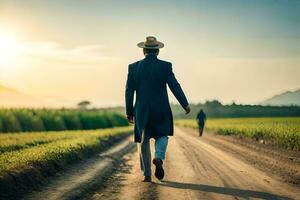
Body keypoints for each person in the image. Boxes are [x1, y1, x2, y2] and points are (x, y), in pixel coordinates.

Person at [125, 36, 190, 182]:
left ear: (143, 51)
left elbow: (129, 91)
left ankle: (147, 175)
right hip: (161, 109)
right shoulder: (165, 66)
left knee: (144, 140)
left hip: (142, 110)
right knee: (162, 135)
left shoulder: (133, 67)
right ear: (158, 52)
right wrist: (185, 104)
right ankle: (158, 157)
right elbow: (175, 86)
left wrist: (129, 112)